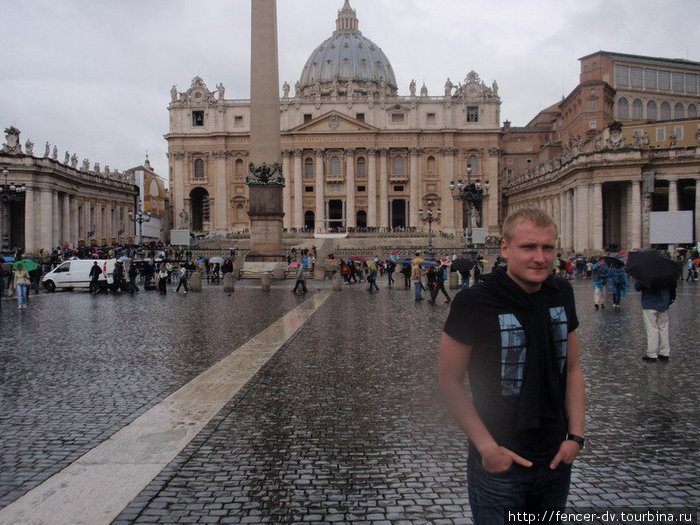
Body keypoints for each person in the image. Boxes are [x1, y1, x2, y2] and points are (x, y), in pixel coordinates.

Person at [438, 208, 585, 524]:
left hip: (555, 460)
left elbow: (572, 368)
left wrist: (576, 438)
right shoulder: (473, 302)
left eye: (548, 248)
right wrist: (488, 449)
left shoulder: (562, 293)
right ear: (505, 248)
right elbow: (449, 382)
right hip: (499, 462)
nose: (540, 258)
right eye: (528, 247)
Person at [636, 280, 675, 362]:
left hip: (649, 302)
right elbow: (673, 285)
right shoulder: (666, 271)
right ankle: (664, 353)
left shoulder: (645, 271)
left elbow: (638, 287)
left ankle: (652, 354)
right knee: (664, 328)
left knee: (652, 329)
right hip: (663, 302)